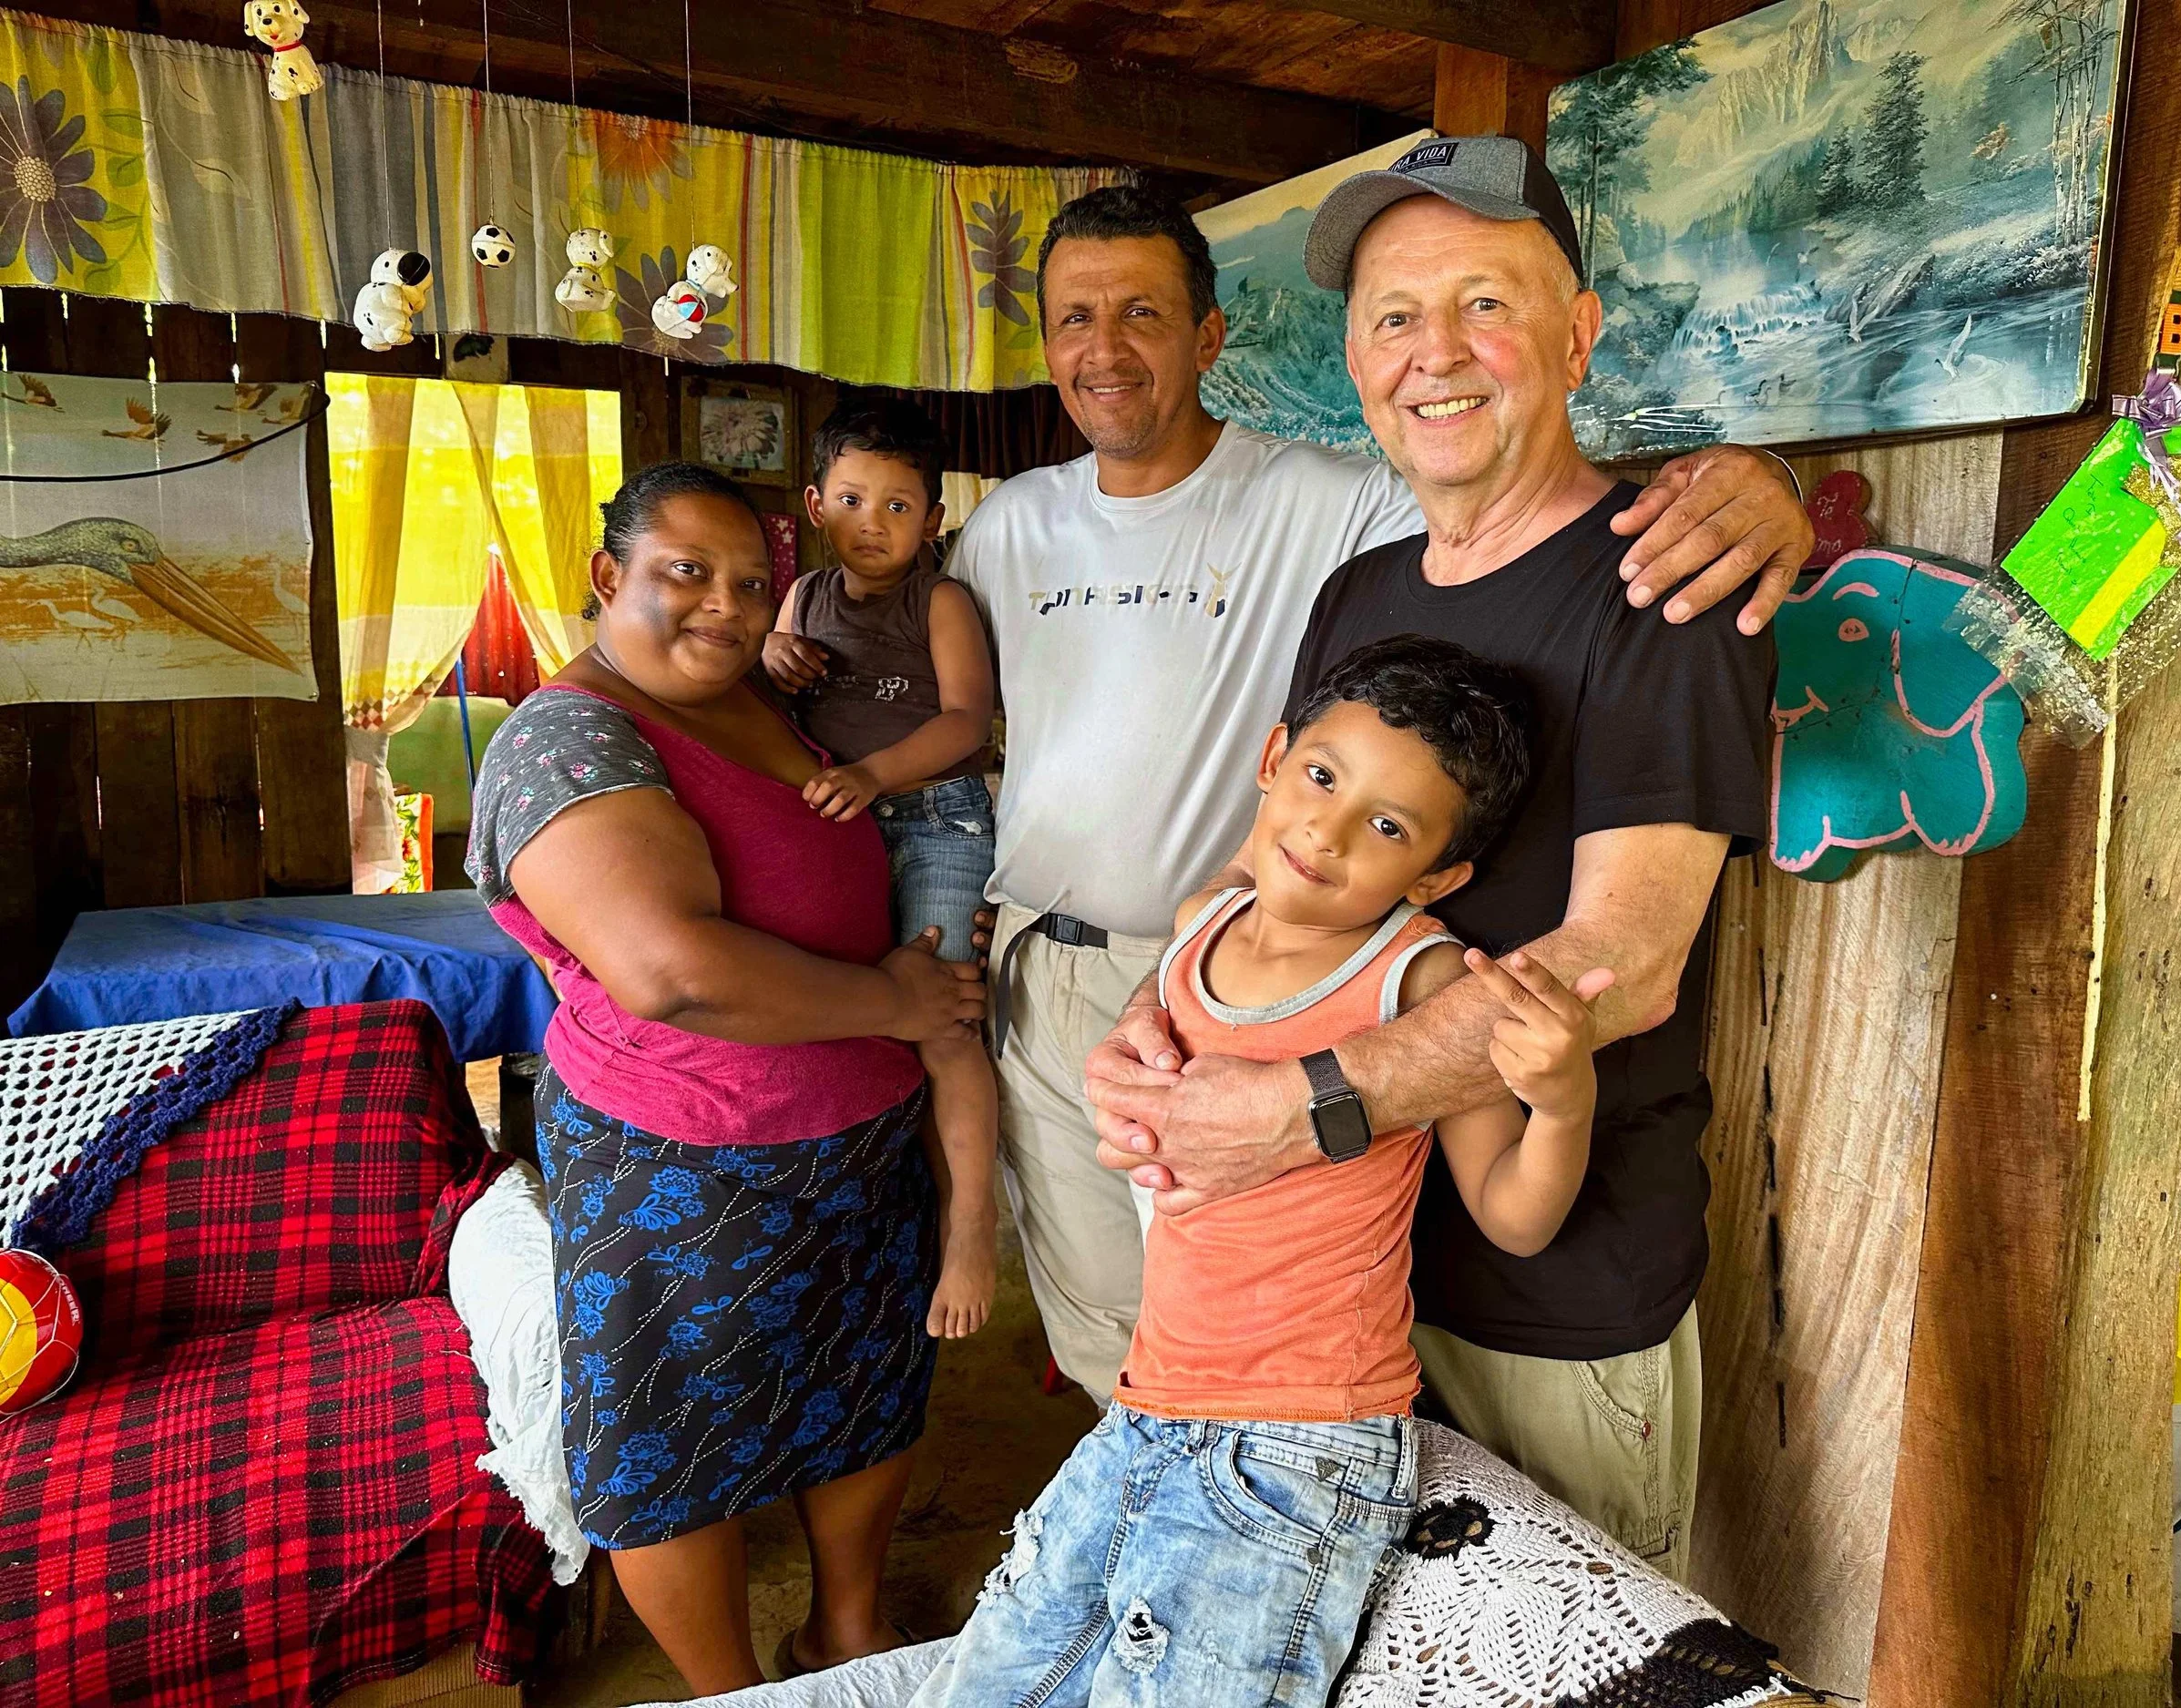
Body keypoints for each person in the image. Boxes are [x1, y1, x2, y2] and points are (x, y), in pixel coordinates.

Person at [947, 178, 1813, 1406]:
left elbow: (1624, 958)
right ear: (1356, 356)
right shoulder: (1361, 587)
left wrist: (1302, 1110)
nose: (1435, 353)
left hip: (1536, 1292)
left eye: (1483, 305)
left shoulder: (1666, 581)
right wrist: (1157, 1010)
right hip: (1329, 1286)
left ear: (1577, 337)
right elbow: (1263, 862)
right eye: (1395, 318)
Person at [912, 636, 1605, 1708]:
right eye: (1323, 777)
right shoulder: (1199, 926)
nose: (1326, 831)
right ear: (1275, 759)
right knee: (982, 1687)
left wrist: (1562, 1100)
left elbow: (1514, 1213)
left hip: (1300, 1443)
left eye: (1386, 826)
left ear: (1435, 874)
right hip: (1147, 1408)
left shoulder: (1418, 981)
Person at [463, 462, 985, 1693]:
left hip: (855, 1135)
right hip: (686, 1158)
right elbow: (669, 968)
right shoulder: (570, 737)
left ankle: (842, 1629)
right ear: (608, 577)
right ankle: (734, 1688)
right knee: (674, 1440)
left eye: (751, 582)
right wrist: (897, 1002)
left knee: (861, 1384)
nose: (725, 605)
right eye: (684, 573)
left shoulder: (751, 692)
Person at [763, 398, 1000, 1340]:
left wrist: (866, 775)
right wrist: (772, 654)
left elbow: (963, 722)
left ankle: (973, 1223)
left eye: (901, 506)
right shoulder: (802, 600)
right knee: (849, 1019)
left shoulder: (938, 600)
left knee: (943, 1022)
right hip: (838, 827)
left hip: (935, 818)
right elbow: (773, 696)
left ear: (933, 521)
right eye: (856, 499)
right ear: (817, 502)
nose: (876, 522)